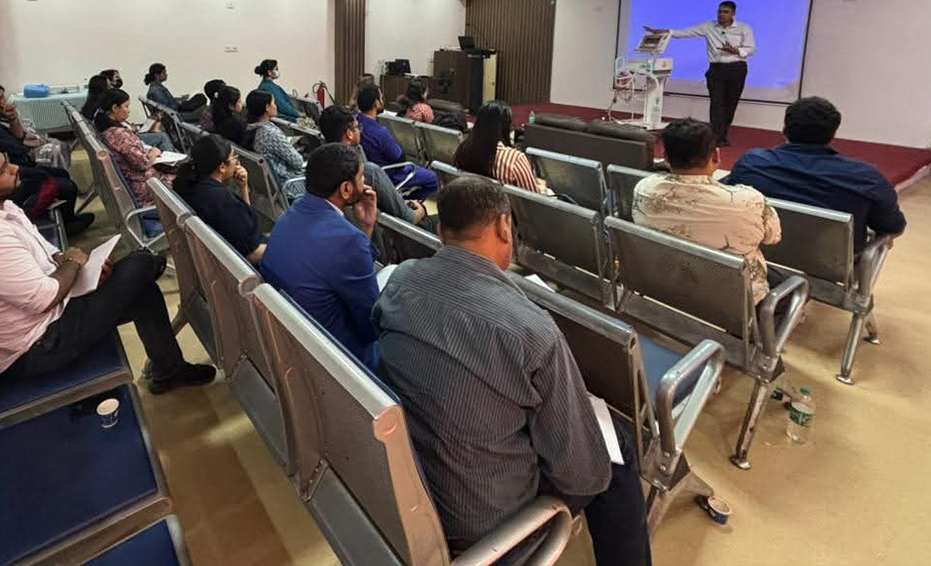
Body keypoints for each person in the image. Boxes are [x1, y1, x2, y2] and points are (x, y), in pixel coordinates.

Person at [373, 177, 652, 565]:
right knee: (614, 446)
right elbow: (580, 476)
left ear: (441, 231)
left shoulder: (401, 280)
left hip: (414, 486)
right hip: (487, 521)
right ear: (504, 227)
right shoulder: (533, 329)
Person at [0, 142, 216, 392]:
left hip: (52, 316)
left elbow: (52, 255)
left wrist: (85, 269)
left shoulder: (2, 209)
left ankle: (169, 371)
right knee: (141, 263)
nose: (15, 168)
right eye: (2, 171)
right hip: (37, 348)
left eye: (7, 162)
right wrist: (73, 263)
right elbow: (44, 297)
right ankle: (151, 270)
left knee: (142, 290)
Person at [724, 96, 907, 250]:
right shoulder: (867, 179)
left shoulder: (751, 163)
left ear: (784, 130)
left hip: (761, 252)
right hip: (831, 266)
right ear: (833, 135)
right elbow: (892, 226)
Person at [257, 144, 382, 367]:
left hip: (294, 338)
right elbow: (370, 327)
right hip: (341, 358)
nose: (364, 184)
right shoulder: (349, 241)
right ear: (346, 189)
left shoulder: (289, 215)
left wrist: (365, 227)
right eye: (361, 178)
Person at [633, 118, 781, 304]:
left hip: (665, 283)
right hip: (731, 301)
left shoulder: (644, 188)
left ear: (665, 157)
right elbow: (773, 237)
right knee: (790, 286)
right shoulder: (748, 202)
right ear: (716, 156)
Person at [0, 76, 92, 235]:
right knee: (66, 186)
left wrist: (13, 118)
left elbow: (19, 138)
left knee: (62, 173)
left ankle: (68, 219)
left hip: (14, 166)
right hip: (8, 178)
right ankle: (66, 226)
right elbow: (19, 147)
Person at [645, 0, 754, 146]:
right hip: (716, 69)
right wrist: (666, 32)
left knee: (731, 103)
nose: (721, 14)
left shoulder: (743, 28)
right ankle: (717, 137)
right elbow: (686, 32)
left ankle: (721, 134)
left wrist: (735, 50)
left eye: (725, 12)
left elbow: (751, 49)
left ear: (733, 13)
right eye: (719, 11)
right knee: (716, 103)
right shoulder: (708, 26)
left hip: (737, 68)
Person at [318, 105, 432, 230]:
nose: (360, 131)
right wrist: (421, 209)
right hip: (381, 230)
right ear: (349, 134)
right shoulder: (368, 171)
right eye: (357, 127)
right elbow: (408, 218)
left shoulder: (319, 164)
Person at [172, 134, 265, 263]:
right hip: (250, 263)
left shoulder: (191, 187)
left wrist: (243, 188)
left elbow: (244, 224)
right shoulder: (222, 201)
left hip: (219, 259)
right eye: (234, 157)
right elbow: (253, 254)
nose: (237, 162)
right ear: (222, 167)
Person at [355, 84, 437, 200]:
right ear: (376, 103)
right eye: (381, 97)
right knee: (434, 178)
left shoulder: (354, 124)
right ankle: (405, 203)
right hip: (389, 174)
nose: (383, 101)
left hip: (365, 173)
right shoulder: (380, 132)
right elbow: (399, 157)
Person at [453, 100, 551, 195]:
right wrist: (542, 189)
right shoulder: (515, 159)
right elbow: (531, 198)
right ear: (507, 126)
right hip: (505, 206)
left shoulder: (464, 149)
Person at [93, 88, 162, 208]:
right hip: (144, 187)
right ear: (115, 108)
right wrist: (153, 153)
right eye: (126, 106)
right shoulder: (119, 135)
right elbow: (143, 163)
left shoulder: (105, 128)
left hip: (134, 182)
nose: (129, 110)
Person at [0, 83, 70, 170]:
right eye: (0, 98)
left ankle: (64, 172)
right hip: (24, 148)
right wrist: (34, 142)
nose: (3, 102)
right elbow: (16, 139)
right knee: (54, 150)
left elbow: (22, 132)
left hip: (29, 139)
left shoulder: (6, 114)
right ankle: (56, 175)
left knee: (62, 145)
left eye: (3, 97)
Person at [244, 89, 306, 194]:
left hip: (270, 185)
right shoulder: (271, 134)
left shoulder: (250, 128)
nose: (276, 106)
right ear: (267, 107)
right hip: (289, 185)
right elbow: (298, 162)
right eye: (273, 103)